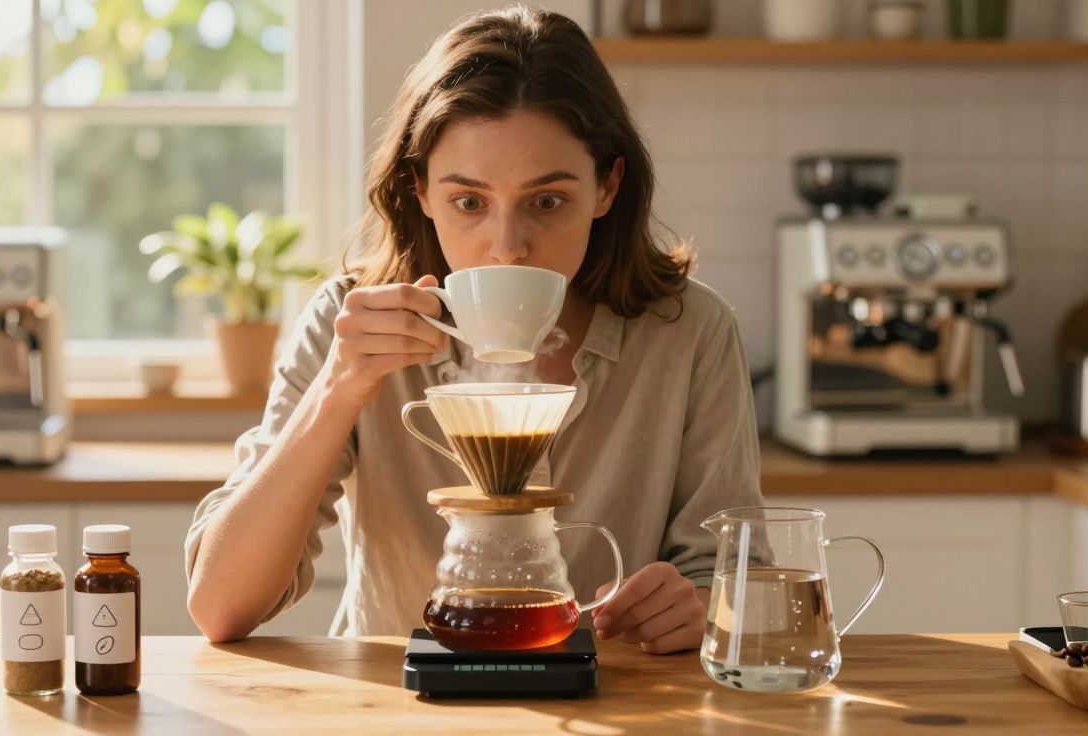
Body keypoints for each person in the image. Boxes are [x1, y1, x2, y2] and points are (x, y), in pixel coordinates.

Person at [185, 6, 763, 654]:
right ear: (420, 191)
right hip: (395, 710)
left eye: (548, 201)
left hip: (617, 705)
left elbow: (742, 587)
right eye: (469, 202)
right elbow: (219, 606)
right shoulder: (351, 326)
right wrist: (338, 389)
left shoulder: (689, 333)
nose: (507, 247)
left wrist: (701, 607)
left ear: (607, 186)